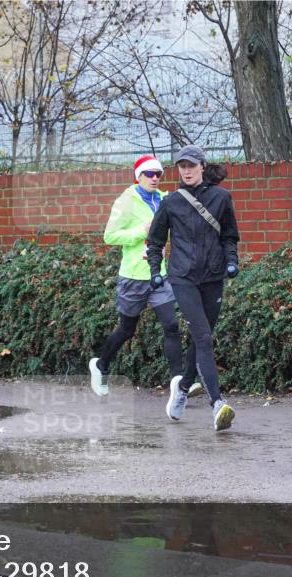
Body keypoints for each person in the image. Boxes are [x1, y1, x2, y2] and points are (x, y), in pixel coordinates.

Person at [88, 155, 199, 399]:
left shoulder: (163, 200)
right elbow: (110, 236)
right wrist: (141, 231)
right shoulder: (126, 201)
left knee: (171, 326)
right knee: (127, 329)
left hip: (158, 275)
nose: (155, 178)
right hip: (132, 276)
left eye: (158, 174)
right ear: (138, 176)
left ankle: (180, 384)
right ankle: (100, 365)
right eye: (149, 174)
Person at [146, 145, 240, 430]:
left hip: (212, 277)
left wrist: (232, 262)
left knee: (202, 338)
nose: (186, 171)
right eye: (181, 166)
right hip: (183, 277)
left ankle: (183, 387)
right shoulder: (171, 202)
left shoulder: (221, 198)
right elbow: (156, 241)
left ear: (202, 166)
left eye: (191, 165)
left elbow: (229, 237)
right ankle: (217, 404)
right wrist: (154, 270)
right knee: (203, 337)